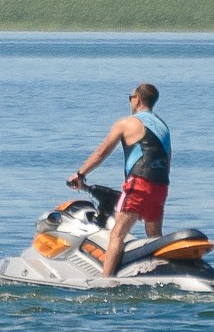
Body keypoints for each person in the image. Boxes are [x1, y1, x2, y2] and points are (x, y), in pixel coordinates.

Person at [65, 81, 169, 279]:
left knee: (117, 235)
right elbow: (167, 160)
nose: (130, 101)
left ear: (138, 99)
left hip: (138, 183)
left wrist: (80, 175)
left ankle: (106, 282)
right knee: (154, 236)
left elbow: (102, 152)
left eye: (131, 97)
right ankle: (163, 274)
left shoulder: (127, 123)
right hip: (161, 186)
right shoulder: (163, 126)